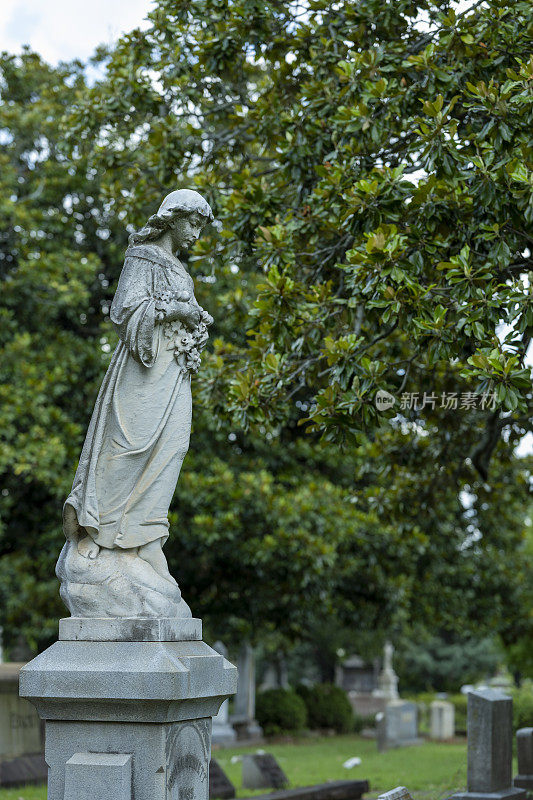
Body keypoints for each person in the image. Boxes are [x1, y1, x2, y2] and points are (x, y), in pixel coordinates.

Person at [62, 189, 214, 587]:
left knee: (173, 446)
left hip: (175, 370)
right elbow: (126, 309)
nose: (197, 234)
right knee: (127, 446)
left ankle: (147, 538)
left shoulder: (182, 270)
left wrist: (197, 323)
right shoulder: (143, 257)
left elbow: (183, 319)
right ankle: (96, 531)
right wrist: (179, 310)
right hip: (143, 366)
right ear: (173, 218)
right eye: (194, 223)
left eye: (202, 226)